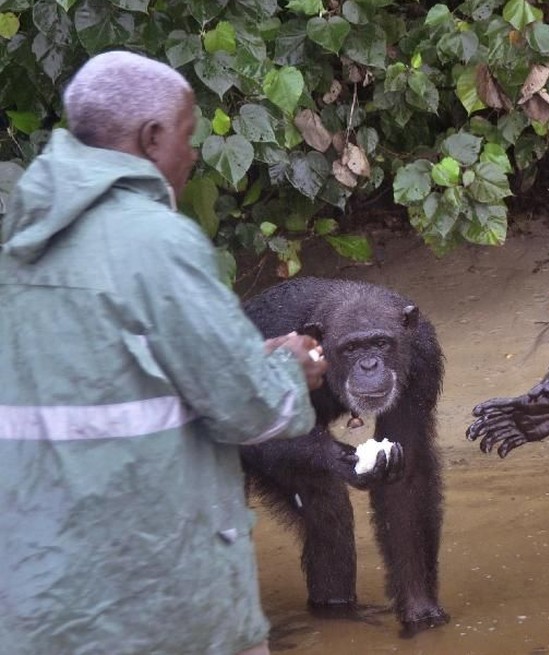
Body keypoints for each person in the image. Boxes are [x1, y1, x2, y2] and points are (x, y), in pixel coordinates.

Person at [0, 50, 326, 655]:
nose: (193, 154)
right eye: (187, 136)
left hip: (36, 608)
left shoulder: (18, 241)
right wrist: (289, 369)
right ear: (151, 139)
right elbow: (250, 408)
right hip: (156, 607)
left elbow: (102, 386)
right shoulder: (155, 240)